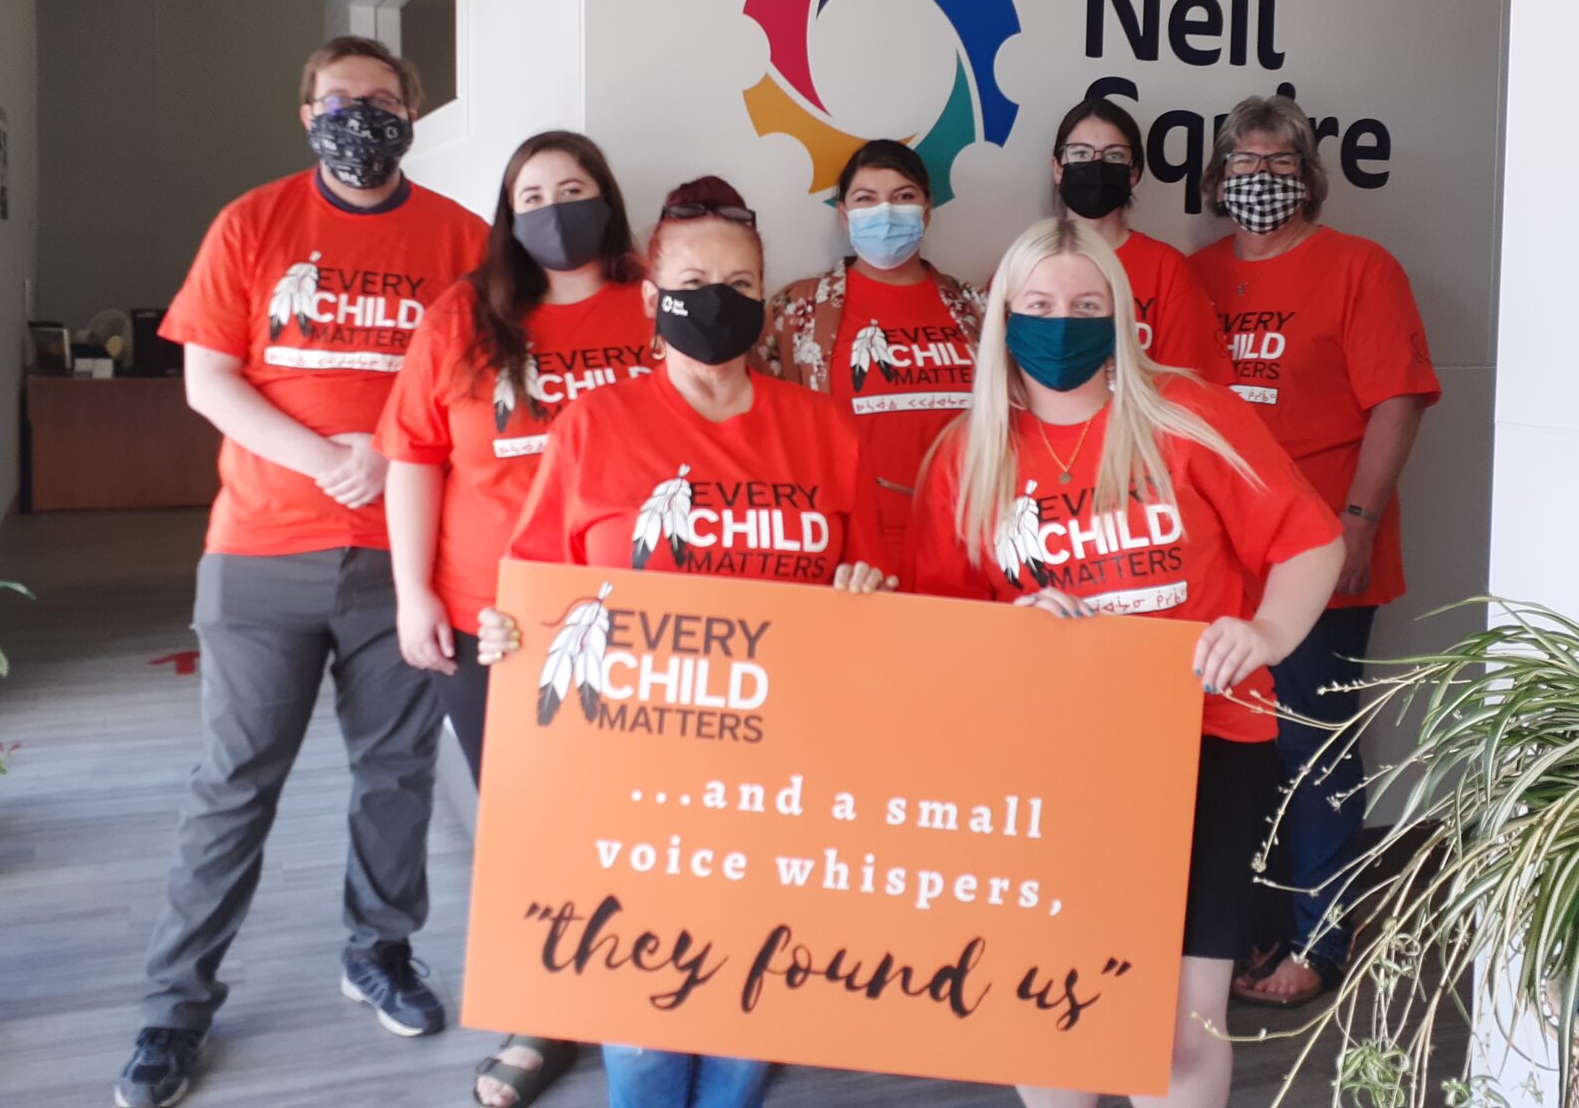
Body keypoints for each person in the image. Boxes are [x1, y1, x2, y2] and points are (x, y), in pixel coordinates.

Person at [117, 38, 488, 1108]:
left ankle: (379, 949)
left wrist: (395, 454)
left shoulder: (461, 241)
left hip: (403, 561)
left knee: (396, 775)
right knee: (232, 788)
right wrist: (332, 457)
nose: (358, 116)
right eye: (338, 101)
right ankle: (172, 1010)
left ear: (412, 112)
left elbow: (475, 385)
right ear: (305, 114)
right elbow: (207, 380)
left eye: (379, 100)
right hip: (260, 553)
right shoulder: (253, 224)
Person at [908, 216, 1344, 1108]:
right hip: (1045, 758)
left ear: (1120, 318)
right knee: (1053, 1006)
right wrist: (1018, 627)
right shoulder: (964, 457)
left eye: (1084, 304)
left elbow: (1311, 544)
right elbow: (939, 631)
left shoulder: (1191, 416)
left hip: (1206, 744)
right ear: (1002, 317)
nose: (1059, 321)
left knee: (1181, 1031)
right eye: (1036, 304)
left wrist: (1265, 633)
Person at [482, 175, 893, 1108]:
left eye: (744, 285)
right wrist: (502, 632)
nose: (721, 300)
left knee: (753, 997)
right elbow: (535, 587)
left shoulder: (827, 428)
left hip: (787, 772)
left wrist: (868, 592)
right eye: (699, 281)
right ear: (650, 299)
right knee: (646, 1008)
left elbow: (871, 594)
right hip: (634, 777)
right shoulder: (593, 427)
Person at [376, 129, 652, 1108]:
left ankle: (661, 989)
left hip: (649, 620)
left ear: (607, 198)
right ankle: (547, 1012)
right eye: (529, 195)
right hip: (496, 619)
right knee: (531, 824)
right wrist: (412, 595)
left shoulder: (656, 296)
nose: (551, 208)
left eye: (571, 188)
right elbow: (413, 457)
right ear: (506, 215)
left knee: (648, 817)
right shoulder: (466, 313)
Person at [1187, 94, 1441, 1009]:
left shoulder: (1360, 269)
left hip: (1322, 551)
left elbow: (1397, 402)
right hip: (1220, 560)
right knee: (1237, 752)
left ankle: (1324, 938)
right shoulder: (1196, 275)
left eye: (1279, 164)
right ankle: (1252, 929)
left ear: (1310, 177)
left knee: (1315, 746)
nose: (1260, 181)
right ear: (1217, 180)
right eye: (1244, 166)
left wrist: (1361, 523)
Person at [757, 138, 984, 571]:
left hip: (965, 542)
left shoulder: (979, 309)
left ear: (927, 210)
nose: (885, 212)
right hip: (853, 549)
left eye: (903, 197)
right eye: (867, 199)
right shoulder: (796, 312)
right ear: (844, 214)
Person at [1049, 98, 1233, 380]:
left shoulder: (1167, 269)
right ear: (1058, 168)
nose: (1096, 165)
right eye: (1080, 153)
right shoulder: (1027, 265)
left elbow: (1190, 388)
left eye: (1114, 156)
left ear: (1133, 172)